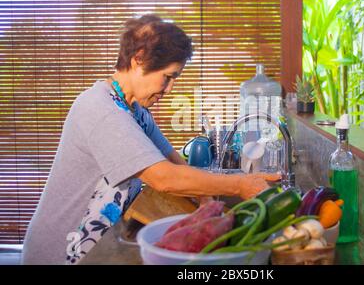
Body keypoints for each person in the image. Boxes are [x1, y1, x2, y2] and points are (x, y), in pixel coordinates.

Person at [21, 14, 280, 265]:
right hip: (63, 250)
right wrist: (239, 185)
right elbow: (163, 177)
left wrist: (205, 199)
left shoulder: (135, 111)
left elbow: (172, 161)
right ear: (138, 60)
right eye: (167, 77)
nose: (169, 89)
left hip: (96, 241)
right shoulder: (101, 109)